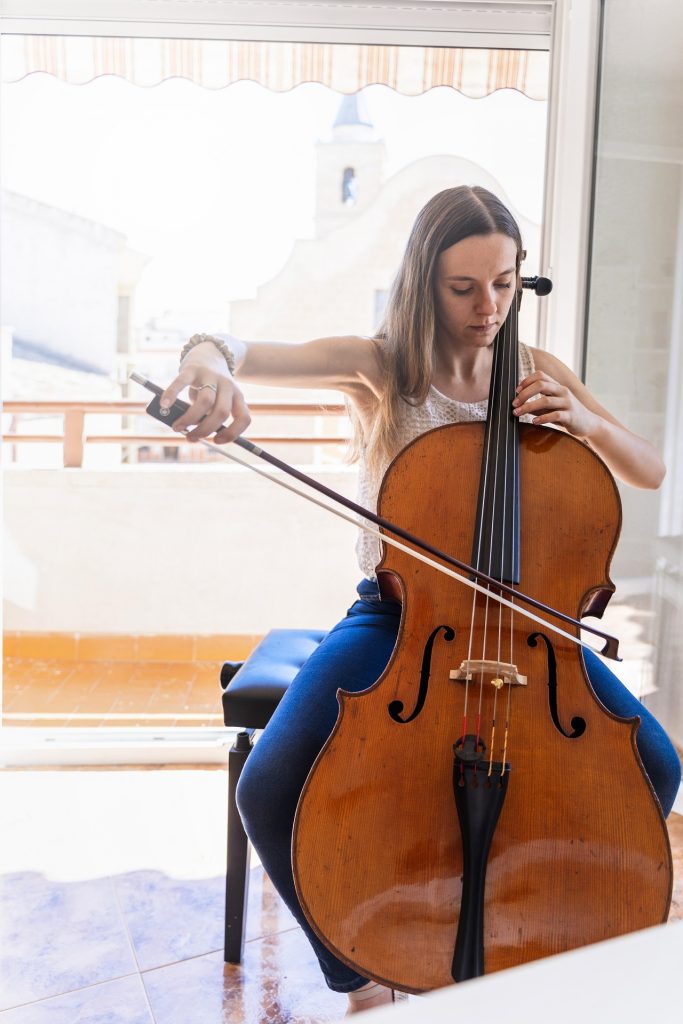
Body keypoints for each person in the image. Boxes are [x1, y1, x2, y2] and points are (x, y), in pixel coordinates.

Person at [161, 186, 681, 1014]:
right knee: (267, 787)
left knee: (655, 765)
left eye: (505, 284)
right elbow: (235, 346)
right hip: (397, 617)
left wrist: (582, 420)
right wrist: (206, 362)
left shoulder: (537, 371)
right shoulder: (380, 366)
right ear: (423, 282)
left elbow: (648, 468)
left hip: (526, 627)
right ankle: (363, 978)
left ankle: (526, 929)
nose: (488, 308)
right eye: (463, 287)